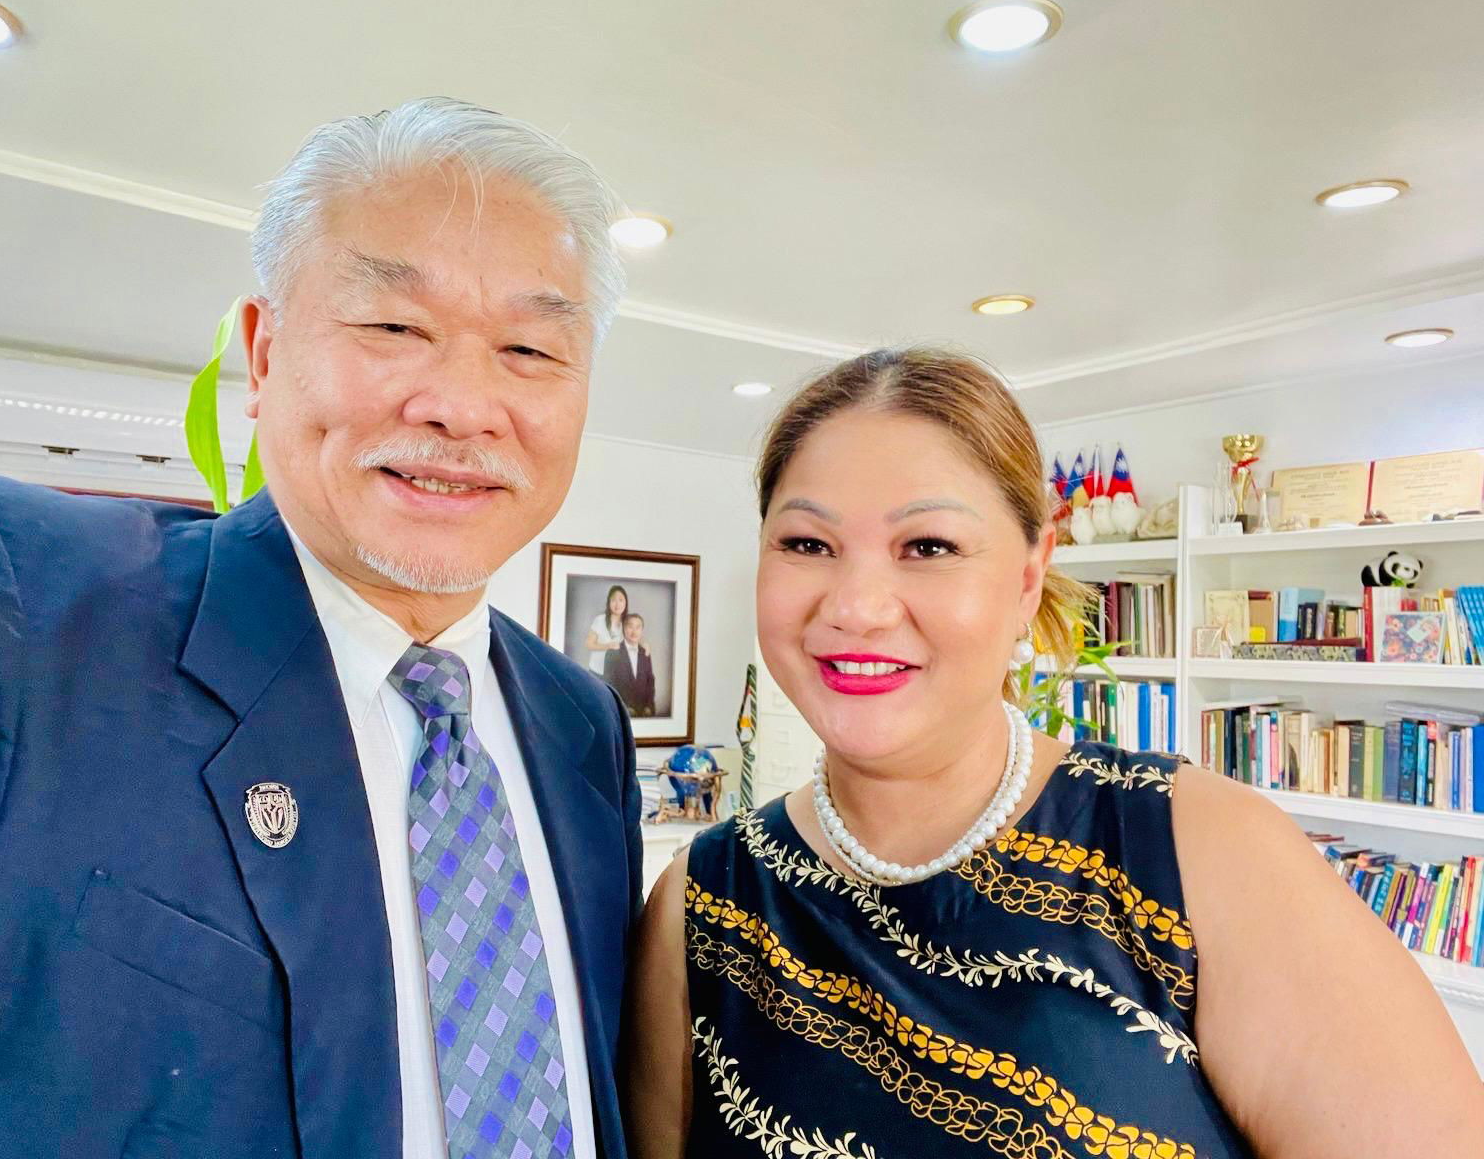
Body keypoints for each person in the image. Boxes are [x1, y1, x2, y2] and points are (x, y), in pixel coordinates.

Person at [0, 97, 644, 1159]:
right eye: (392, 326)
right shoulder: (14, 613)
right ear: (264, 349)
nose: (465, 406)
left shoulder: (582, 727)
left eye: (529, 348)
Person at [624, 347, 1484, 1158]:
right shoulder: (703, 900)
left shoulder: (1195, 849)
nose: (856, 607)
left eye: (929, 547)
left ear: (1030, 574)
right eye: (807, 544)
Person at [603, 613, 656, 717]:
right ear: (623, 628)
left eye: (638, 627)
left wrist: (649, 706)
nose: (634, 631)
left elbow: (650, 681)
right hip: (621, 712)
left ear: (642, 630)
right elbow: (608, 684)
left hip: (644, 711)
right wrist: (623, 707)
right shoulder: (613, 652)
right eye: (630, 626)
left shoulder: (645, 653)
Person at [586, 584, 630, 673]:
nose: (617, 604)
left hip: (615, 673)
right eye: (613, 600)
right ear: (609, 603)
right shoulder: (600, 619)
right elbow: (589, 644)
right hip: (596, 671)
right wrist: (607, 646)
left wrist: (645, 644)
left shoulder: (627, 623)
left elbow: (636, 638)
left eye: (621, 600)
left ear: (625, 603)